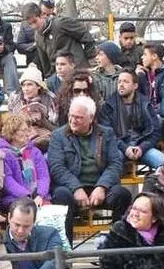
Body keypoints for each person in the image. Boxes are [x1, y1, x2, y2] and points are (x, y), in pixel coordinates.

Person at [48, 95, 132, 243]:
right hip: (70, 188)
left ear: (91, 118)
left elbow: (115, 164)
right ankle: (65, 250)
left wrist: (102, 186)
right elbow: (57, 168)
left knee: (121, 194)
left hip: (100, 187)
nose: (73, 120)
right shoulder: (58, 136)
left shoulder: (106, 133)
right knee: (61, 195)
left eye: (78, 117)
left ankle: (118, 245)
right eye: (71, 116)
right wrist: (76, 188)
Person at [97, 68, 164, 169]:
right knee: (112, 164)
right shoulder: (108, 106)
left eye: (125, 81)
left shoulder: (145, 104)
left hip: (142, 147)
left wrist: (142, 148)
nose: (121, 84)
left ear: (135, 86)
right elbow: (105, 133)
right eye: (119, 81)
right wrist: (125, 148)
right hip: (118, 148)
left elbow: (155, 132)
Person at [22, 2, 96, 76]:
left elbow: (84, 34)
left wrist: (90, 58)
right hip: (59, 74)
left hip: (78, 69)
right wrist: (49, 76)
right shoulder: (38, 37)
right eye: (30, 24)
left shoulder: (60, 24)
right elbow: (45, 61)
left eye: (35, 21)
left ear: (42, 15)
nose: (34, 26)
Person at [0, 113, 50, 211]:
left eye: (28, 130)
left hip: (38, 197)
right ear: (12, 132)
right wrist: (27, 196)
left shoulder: (35, 152)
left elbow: (43, 176)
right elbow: (8, 181)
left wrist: (39, 195)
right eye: (23, 130)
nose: (28, 133)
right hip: (13, 198)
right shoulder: (4, 154)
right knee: (25, 209)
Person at [6, 65, 58, 147]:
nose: (26, 89)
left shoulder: (50, 99)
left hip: (43, 133)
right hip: (21, 132)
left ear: (38, 86)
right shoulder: (15, 98)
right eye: (23, 85)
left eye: (29, 85)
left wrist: (43, 121)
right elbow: (9, 125)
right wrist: (21, 118)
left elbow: (55, 128)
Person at [137, 43, 164, 111]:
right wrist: (137, 77)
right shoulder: (142, 73)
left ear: (154, 56)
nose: (142, 57)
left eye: (145, 54)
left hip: (163, 113)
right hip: (145, 112)